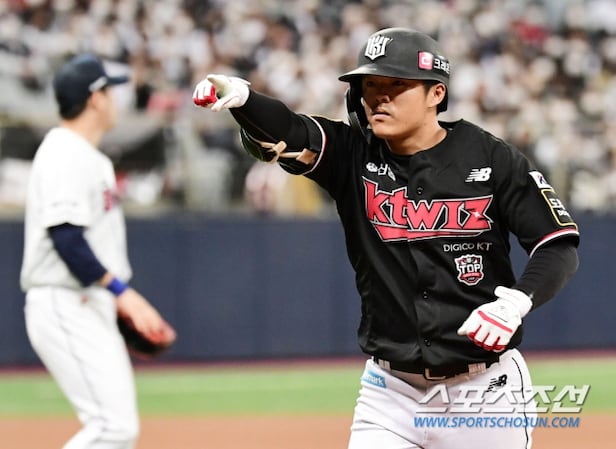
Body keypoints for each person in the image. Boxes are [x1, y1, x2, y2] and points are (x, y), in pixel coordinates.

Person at [192, 27, 579, 449]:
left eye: (397, 84)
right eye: (371, 85)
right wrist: (245, 99)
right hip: (390, 392)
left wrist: (517, 301)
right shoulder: (351, 154)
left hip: (484, 390)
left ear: (436, 93)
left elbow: (556, 244)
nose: (379, 97)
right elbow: (290, 130)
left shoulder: (491, 157)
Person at [20, 54, 175, 449]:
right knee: (113, 429)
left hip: (87, 301)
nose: (116, 99)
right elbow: (66, 239)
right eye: (110, 90)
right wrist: (123, 294)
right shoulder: (64, 153)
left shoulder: (88, 157)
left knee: (118, 429)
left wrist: (117, 305)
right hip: (65, 301)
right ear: (94, 98)